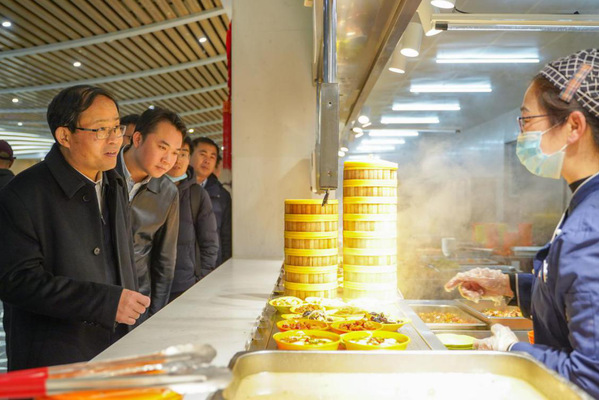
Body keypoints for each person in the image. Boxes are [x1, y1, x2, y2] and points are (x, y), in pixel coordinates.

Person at [445, 49, 599, 398]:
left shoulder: (590, 229)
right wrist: (509, 285)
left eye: (527, 120)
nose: (522, 133)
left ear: (574, 126)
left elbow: (591, 377)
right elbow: (574, 293)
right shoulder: (584, 201)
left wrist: (512, 351)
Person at [0, 85, 150, 371]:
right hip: (55, 355)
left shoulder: (114, 183)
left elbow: (123, 260)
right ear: (64, 136)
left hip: (115, 345)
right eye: (101, 130)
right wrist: (104, 302)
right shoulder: (22, 194)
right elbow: (16, 281)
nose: (115, 139)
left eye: (116, 127)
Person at [117, 107, 183, 320]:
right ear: (137, 139)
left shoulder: (167, 192)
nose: (168, 160)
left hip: (138, 303)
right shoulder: (102, 173)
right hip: (98, 302)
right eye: (162, 147)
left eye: (175, 152)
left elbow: (165, 261)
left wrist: (155, 315)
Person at [166, 137, 219, 302]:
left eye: (183, 154)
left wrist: (200, 280)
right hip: (150, 286)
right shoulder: (149, 189)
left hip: (185, 284)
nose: (178, 159)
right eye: (174, 153)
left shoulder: (197, 194)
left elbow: (210, 243)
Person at [190, 137, 232, 266]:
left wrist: (225, 266)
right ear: (189, 155)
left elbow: (226, 236)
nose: (207, 160)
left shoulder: (222, 195)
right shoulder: (175, 188)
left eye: (212, 157)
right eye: (202, 154)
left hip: (212, 264)